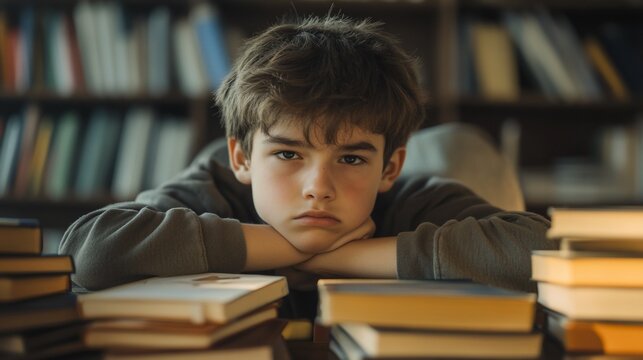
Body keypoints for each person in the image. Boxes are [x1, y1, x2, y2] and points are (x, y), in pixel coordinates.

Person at [59, 16, 556, 300]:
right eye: (288, 153)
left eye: (353, 160)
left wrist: (346, 256)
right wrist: (280, 248)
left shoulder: (414, 201)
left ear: (390, 167)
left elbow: (544, 254)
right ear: (242, 157)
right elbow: (91, 251)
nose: (319, 186)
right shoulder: (213, 186)